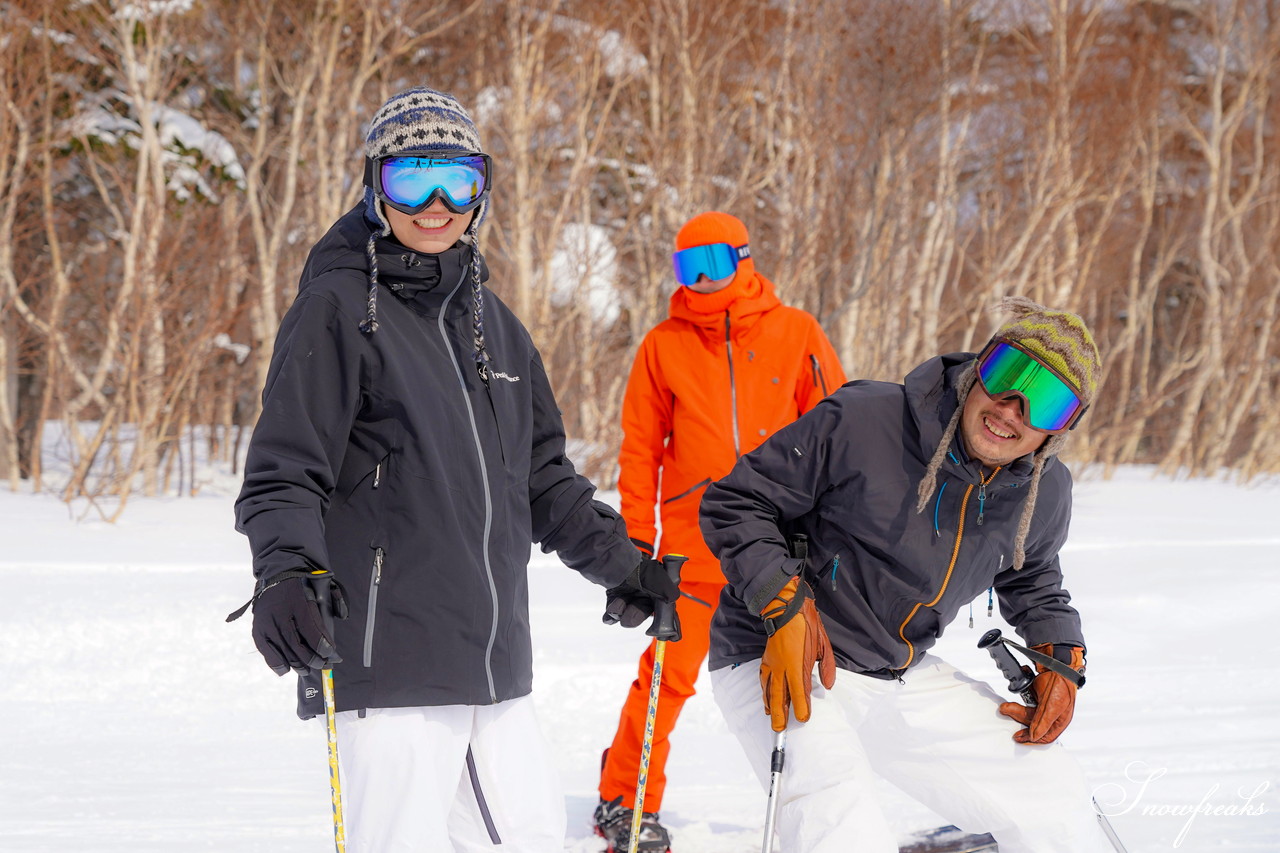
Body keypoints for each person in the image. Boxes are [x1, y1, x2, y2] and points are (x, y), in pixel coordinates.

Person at [230, 86, 678, 853]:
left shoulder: (495, 326)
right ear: (375, 185)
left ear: (482, 188)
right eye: (412, 179)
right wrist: (283, 572)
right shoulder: (339, 308)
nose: (435, 203)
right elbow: (284, 467)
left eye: (457, 179)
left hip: (494, 663)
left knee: (530, 836)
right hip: (388, 657)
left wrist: (626, 567)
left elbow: (543, 477)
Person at [700, 297, 1115, 852]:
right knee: (842, 828)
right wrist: (782, 604)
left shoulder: (1043, 490)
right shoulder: (866, 419)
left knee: (1050, 790)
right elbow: (738, 501)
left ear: (1060, 429)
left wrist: (1060, 652)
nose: (1013, 409)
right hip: (782, 651)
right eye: (1009, 376)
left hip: (897, 670)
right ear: (977, 371)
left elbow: (1032, 575)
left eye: (1047, 402)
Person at [593, 211, 846, 852]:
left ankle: (838, 811)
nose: (703, 282)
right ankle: (623, 800)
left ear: (744, 259)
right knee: (666, 677)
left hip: (780, 550)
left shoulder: (797, 332)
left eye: (715, 264)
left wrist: (834, 532)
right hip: (693, 549)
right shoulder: (663, 345)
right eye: (688, 269)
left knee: (816, 679)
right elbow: (639, 449)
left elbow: (834, 436)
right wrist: (636, 549)